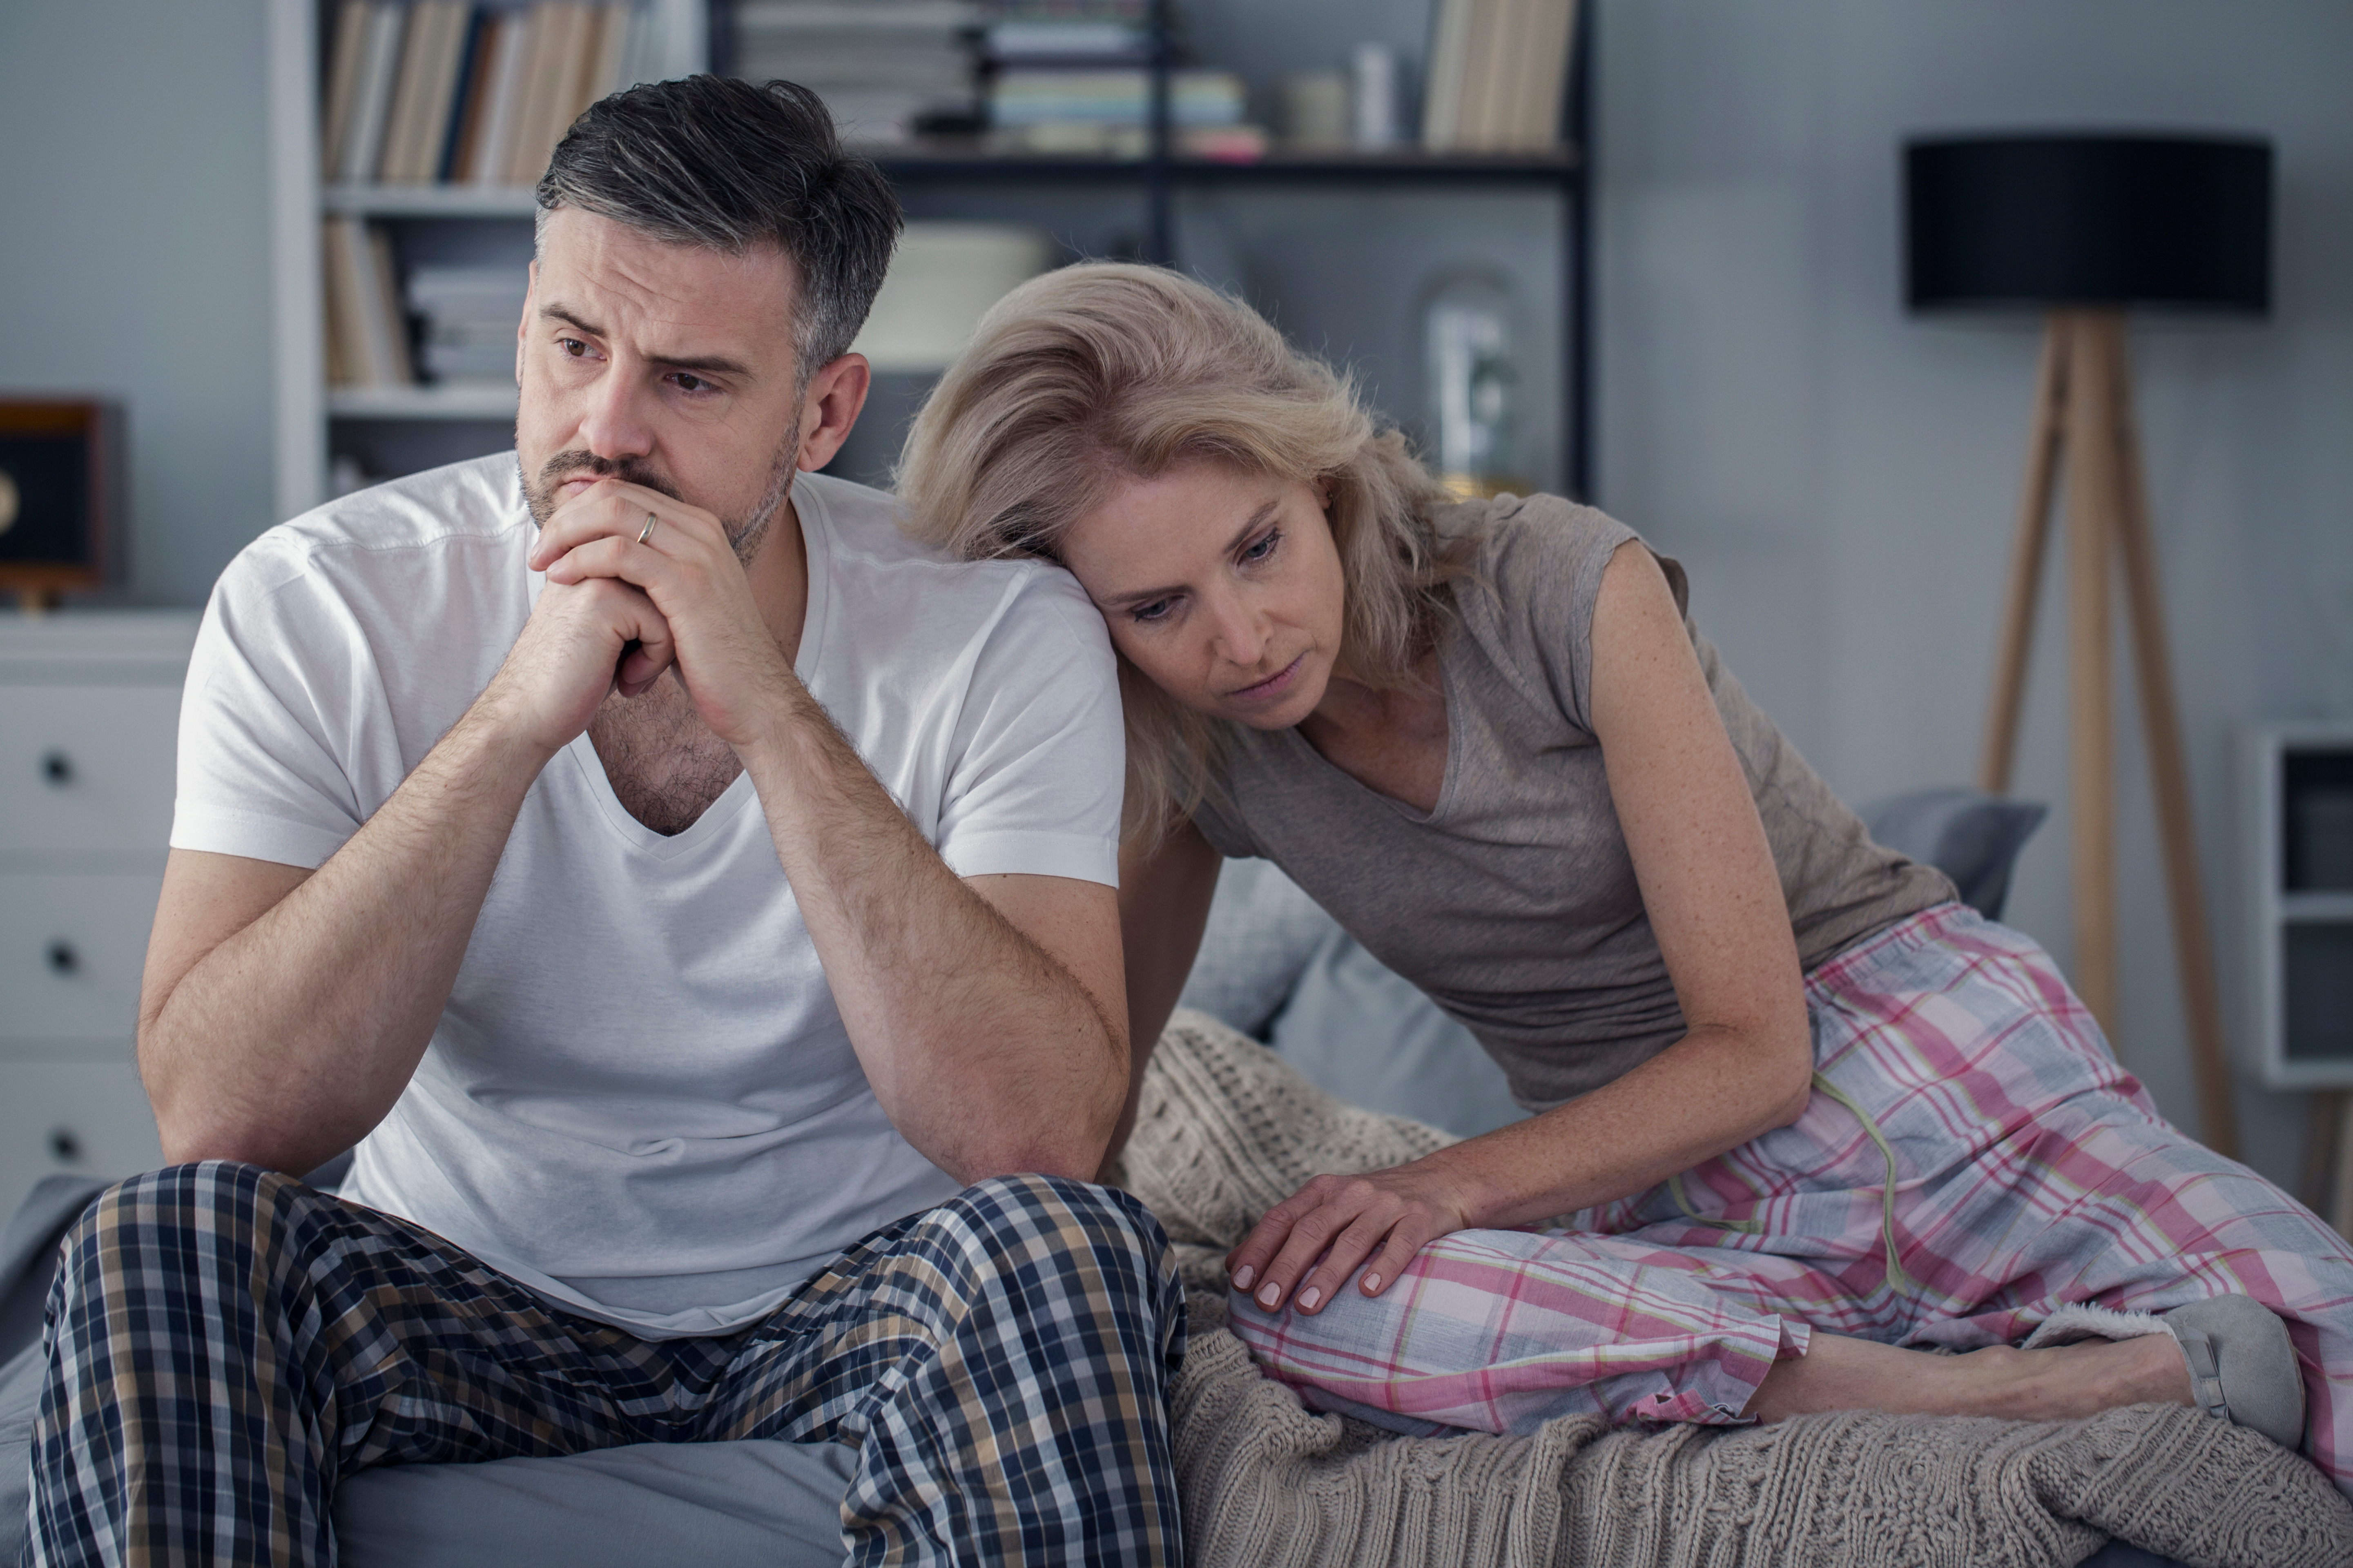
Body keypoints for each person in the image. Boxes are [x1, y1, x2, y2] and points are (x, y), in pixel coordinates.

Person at [894, 261, 2353, 1499]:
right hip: (1663, 1202)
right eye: (1156, 608)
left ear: (1318, 473)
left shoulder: (1559, 578)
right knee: (1304, 1321)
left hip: (1914, 1072)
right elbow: (1084, 1104)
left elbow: (1756, 1055)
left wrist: (1439, 1187)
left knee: (2312, 1349)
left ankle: (1913, 1376)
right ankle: (1974, 1400)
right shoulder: (1197, 760)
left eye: (1259, 546)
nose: (1244, 633)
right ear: (1082, 627)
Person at [21, 83, 1185, 1567]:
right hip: (457, 1293)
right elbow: (222, 1116)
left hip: (851, 1302)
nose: (604, 433)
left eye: (693, 381)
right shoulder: (316, 601)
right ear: (523, 330)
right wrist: (513, 721)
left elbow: (1038, 1133)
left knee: (1067, 1251)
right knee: (151, 1240)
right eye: (574, 349)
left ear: (822, 413)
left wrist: (768, 712)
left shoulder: (996, 633)